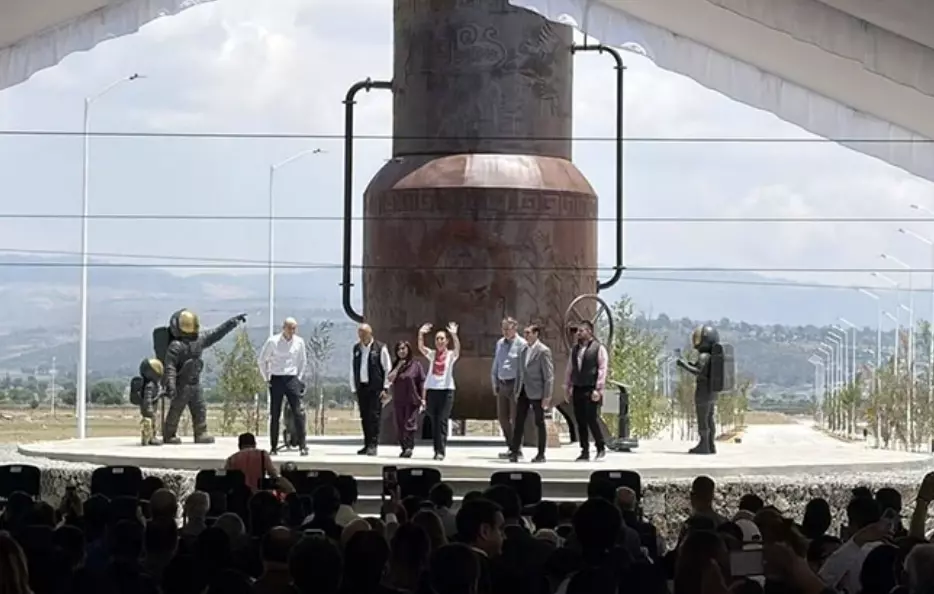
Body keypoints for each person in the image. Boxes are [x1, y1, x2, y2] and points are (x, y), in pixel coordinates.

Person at [160, 309, 245, 444]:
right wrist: (171, 384)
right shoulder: (176, 346)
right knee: (176, 409)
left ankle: (201, 432)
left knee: (200, 408)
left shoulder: (199, 340)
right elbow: (170, 367)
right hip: (181, 385)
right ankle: (169, 433)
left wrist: (232, 323)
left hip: (195, 383)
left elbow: (217, 333)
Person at [258, 317, 309, 456]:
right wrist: (266, 378)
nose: (292, 331)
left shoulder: (299, 342)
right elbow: (262, 360)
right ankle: (273, 446)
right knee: (275, 414)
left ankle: (302, 445)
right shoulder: (273, 341)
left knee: (298, 412)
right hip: (276, 378)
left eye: (294, 328)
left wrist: (298, 378)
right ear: (284, 328)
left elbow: (302, 361)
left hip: (292, 378)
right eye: (290, 328)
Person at [564, 320, 608, 461]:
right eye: (578, 331)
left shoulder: (598, 348)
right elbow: (570, 369)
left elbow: (602, 369)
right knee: (580, 420)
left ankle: (600, 447)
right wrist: (567, 387)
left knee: (591, 419)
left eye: (581, 331)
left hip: (591, 388)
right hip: (578, 388)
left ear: (589, 332)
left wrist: (598, 389)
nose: (578, 333)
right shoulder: (575, 349)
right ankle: (584, 450)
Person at [509, 325, 554, 464]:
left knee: (539, 422)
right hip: (523, 390)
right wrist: (517, 390)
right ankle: (515, 452)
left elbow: (548, 376)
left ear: (536, 334)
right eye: (525, 333)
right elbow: (519, 372)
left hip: (537, 391)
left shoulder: (543, 351)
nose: (526, 335)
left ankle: (541, 454)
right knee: (519, 421)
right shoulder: (523, 350)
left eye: (528, 333)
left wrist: (547, 396)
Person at [418, 322, 461, 461]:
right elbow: (421, 348)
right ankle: (436, 449)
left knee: (442, 421)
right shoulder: (432, 355)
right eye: (437, 339)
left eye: (442, 338)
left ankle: (441, 451)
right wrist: (421, 333)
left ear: (447, 341)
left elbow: (457, 349)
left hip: (446, 391)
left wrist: (454, 335)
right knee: (434, 421)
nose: (439, 341)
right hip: (432, 391)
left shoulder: (450, 355)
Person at [350, 323, 392, 456]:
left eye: (363, 333)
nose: (361, 336)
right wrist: (353, 388)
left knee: (374, 416)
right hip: (362, 387)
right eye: (359, 333)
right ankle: (367, 443)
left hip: (376, 388)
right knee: (365, 417)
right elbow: (353, 369)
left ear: (370, 333)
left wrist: (386, 387)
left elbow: (387, 368)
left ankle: (373, 445)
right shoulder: (357, 348)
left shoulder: (380, 348)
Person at [676, 325, 719, 455]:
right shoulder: (712, 355)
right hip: (712, 392)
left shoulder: (704, 356)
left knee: (702, 419)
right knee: (709, 418)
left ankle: (703, 445)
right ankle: (710, 444)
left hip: (703, 392)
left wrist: (683, 365)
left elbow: (698, 372)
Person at [491, 317, 526, 459]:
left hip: (515, 384)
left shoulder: (522, 344)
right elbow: (496, 363)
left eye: (508, 328)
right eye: (503, 328)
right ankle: (511, 446)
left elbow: (523, 369)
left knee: (515, 418)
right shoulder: (500, 343)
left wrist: (520, 388)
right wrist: (494, 382)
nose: (505, 331)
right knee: (502, 418)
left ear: (515, 328)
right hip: (502, 383)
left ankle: (517, 449)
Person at [388, 341, 426, 458]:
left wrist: (423, 398)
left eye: (403, 348)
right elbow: (390, 379)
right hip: (399, 400)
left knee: (409, 423)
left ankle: (409, 447)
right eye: (399, 349)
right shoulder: (395, 365)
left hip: (412, 399)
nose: (401, 351)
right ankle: (404, 447)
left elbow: (422, 382)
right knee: (400, 424)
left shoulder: (416, 365)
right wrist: (398, 366)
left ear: (408, 349)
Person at [225, 432, 292, 493]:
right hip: (259, 494)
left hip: (240, 495)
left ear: (239, 445)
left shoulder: (232, 459)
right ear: (255, 444)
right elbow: (273, 474)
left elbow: (227, 479)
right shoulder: (262, 454)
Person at [131, 357, 164, 446]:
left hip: (148, 408)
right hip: (149, 408)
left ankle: (148, 438)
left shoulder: (150, 384)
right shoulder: (150, 386)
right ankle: (151, 438)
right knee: (150, 423)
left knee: (149, 423)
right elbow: (148, 398)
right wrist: (149, 409)